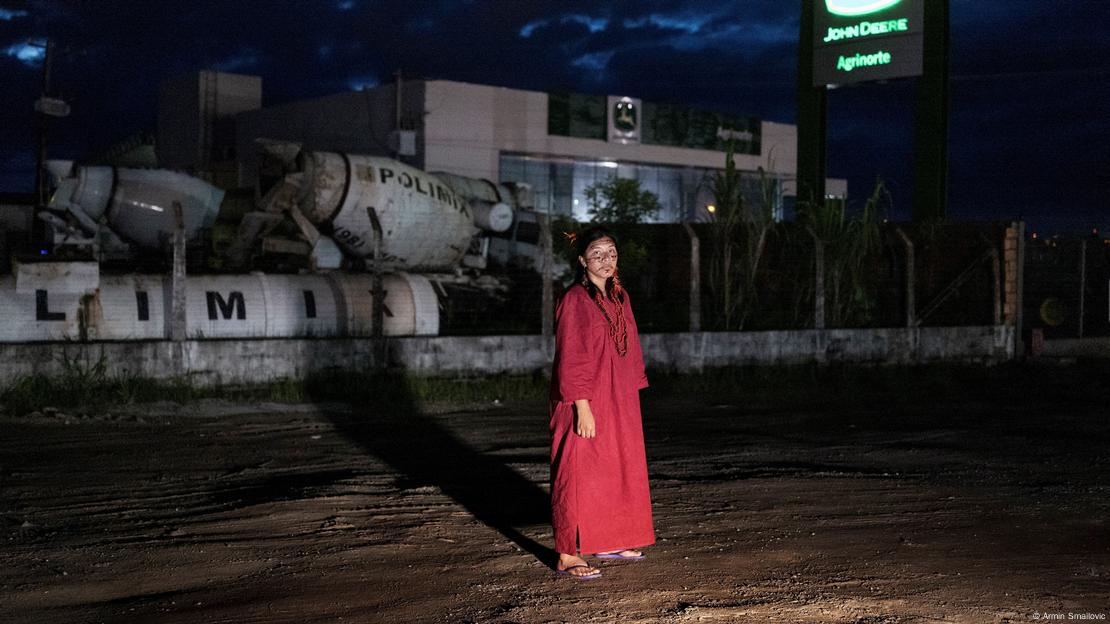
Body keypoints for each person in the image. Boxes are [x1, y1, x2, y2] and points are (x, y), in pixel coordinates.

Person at [549, 227, 655, 579]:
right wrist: (582, 406)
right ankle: (567, 552)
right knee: (576, 473)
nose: (606, 260)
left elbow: (630, 349)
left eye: (611, 252)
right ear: (582, 260)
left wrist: (629, 397)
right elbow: (572, 356)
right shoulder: (574, 300)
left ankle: (609, 539)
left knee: (615, 468)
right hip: (584, 397)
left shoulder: (619, 296)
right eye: (597, 253)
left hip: (617, 397)